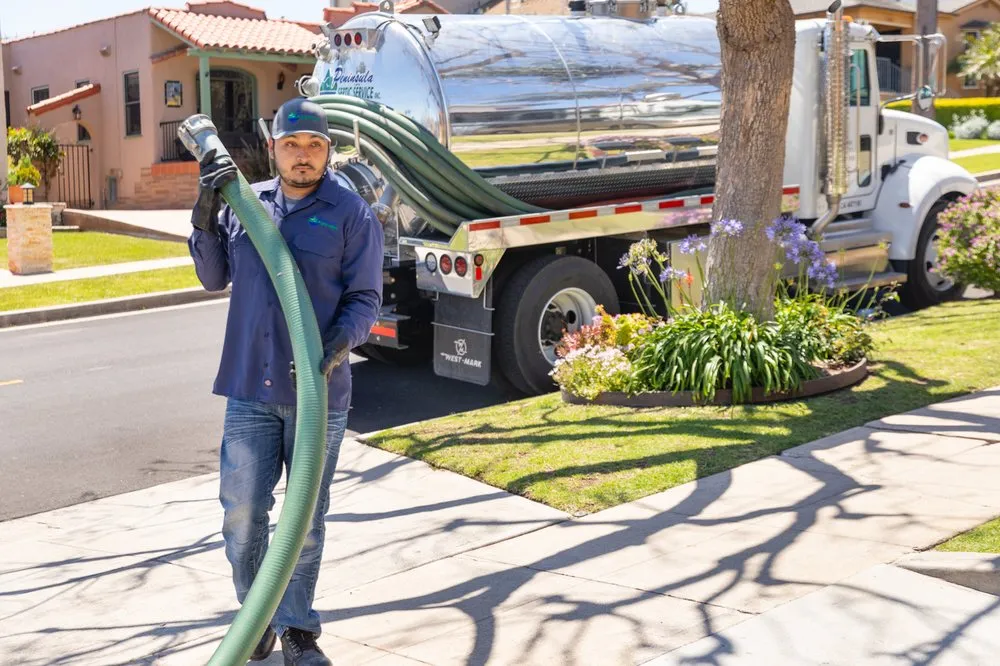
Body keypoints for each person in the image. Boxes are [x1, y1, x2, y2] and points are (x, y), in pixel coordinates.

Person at [188, 97, 384, 665]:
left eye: (315, 146)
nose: (303, 155)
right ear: (273, 147)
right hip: (250, 387)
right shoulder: (243, 203)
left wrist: (338, 343)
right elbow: (210, 276)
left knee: (305, 518)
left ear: (329, 152)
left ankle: (298, 628)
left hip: (317, 393)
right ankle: (257, 619)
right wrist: (205, 206)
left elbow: (366, 298)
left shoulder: (350, 213)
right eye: (292, 144)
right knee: (242, 514)